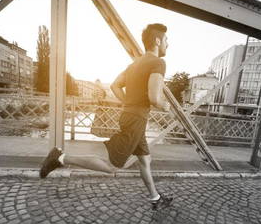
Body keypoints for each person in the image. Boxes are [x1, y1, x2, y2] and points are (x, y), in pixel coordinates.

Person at [40, 23, 172, 209]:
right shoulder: (158, 62)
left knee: (145, 159)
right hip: (136, 120)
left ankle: (155, 198)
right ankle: (60, 158)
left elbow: (115, 86)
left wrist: (129, 103)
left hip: (131, 117)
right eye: (167, 40)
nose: (168, 43)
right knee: (112, 166)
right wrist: (165, 106)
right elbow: (154, 98)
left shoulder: (134, 65)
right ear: (157, 41)